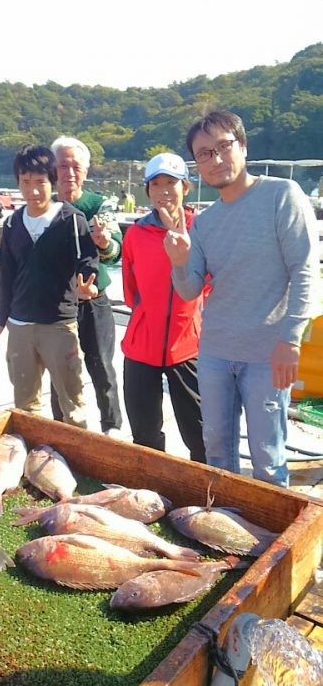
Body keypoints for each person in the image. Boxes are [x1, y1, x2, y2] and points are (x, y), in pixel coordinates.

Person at [164, 110, 319, 487]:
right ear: (197, 164)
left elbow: (305, 270)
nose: (215, 159)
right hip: (215, 351)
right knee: (216, 449)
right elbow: (189, 290)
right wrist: (180, 262)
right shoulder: (205, 221)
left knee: (267, 456)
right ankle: (226, 526)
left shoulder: (282, 195)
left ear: (243, 147)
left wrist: (290, 340)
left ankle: (275, 539)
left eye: (223, 147)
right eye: (204, 153)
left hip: (268, 352)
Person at [0, 144, 99, 428]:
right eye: (25, 182)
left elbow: (88, 262)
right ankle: (32, 458)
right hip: (19, 326)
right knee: (25, 405)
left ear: (53, 182)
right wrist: (0, 321)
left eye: (40, 183)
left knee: (73, 403)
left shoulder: (72, 221)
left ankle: (80, 458)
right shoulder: (12, 224)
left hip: (59, 324)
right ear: (18, 182)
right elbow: (6, 277)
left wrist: (87, 287)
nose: (33, 191)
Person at [121, 153, 206, 460]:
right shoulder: (135, 234)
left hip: (188, 346)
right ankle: (150, 494)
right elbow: (130, 291)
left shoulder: (202, 230)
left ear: (186, 186)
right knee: (144, 432)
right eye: (155, 183)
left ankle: (206, 496)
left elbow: (209, 286)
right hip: (141, 346)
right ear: (147, 190)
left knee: (199, 432)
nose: (163, 190)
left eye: (170, 182)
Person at [50, 135, 123, 437]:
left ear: (86, 171)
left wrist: (104, 241)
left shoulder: (98, 205)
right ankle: (63, 431)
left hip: (95, 300)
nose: (69, 172)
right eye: (62, 165)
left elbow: (115, 249)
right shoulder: (43, 206)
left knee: (102, 366)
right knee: (61, 372)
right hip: (56, 304)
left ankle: (112, 428)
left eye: (75, 166)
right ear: (52, 169)